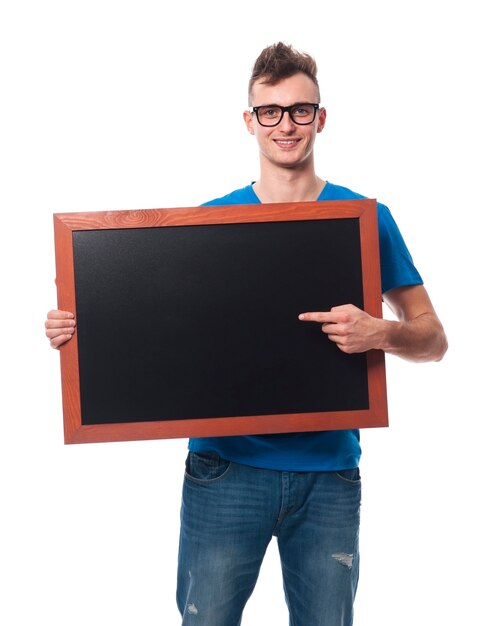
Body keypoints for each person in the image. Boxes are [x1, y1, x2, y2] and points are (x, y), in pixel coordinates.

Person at [45, 42, 448, 626]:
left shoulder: (363, 218)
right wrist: (77, 331)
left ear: (321, 118)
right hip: (224, 471)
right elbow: (156, 330)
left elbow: (433, 338)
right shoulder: (209, 222)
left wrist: (379, 332)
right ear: (250, 121)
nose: (286, 125)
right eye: (271, 111)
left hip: (329, 475)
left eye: (300, 110)